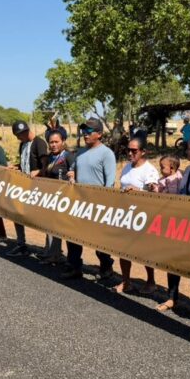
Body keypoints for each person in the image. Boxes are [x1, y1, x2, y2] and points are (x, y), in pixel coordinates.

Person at [155, 135, 190, 312]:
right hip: (182, 223)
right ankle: (172, 297)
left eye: (189, 148)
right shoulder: (188, 171)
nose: (186, 151)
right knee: (173, 261)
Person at [60, 118, 116, 280]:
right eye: (84, 131)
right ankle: (75, 267)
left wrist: (104, 205)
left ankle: (106, 267)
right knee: (72, 236)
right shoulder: (80, 152)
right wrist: (72, 175)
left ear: (99, 134)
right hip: (78, 204)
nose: (85, 134)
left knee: (99, 241)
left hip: (98, 205)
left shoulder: (107, 154)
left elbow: (110, 182)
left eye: (89, 131)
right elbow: (73, 171)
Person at [116, 137, 160, 294]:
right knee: (123, 250)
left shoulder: (150, 170)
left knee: (144, 251)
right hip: (126, 216)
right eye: (128, 150)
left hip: (143, 217)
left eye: (134, 150)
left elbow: (154, 192)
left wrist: (139, 192)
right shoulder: (127, 167)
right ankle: (126, 281)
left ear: (143, 152)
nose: (130, 153)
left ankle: (151, 282)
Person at [6, 120, 49, 257]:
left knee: (44, 218)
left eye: (22, 133)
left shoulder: (39, 143)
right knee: (17, 214)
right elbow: (27, 162)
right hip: (24, 186)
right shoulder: (23, 144)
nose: (20, 136)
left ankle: (50, 249)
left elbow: (45, 165)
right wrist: (17, 166)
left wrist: (39, 171)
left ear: (27, 130)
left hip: (38, 188)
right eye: (18, 134)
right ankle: (21, 244)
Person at [39, 129, 76, 263]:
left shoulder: (68, 156)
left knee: (59, 228)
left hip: (65, 200)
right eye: (51, 142)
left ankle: (56, 255)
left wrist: (73, 176)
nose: (53, 145)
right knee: (50, 226)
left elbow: (74, 173)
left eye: (56, 142)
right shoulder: (49, 158)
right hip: (51, 199)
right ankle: (51, 252)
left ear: (63, 142)